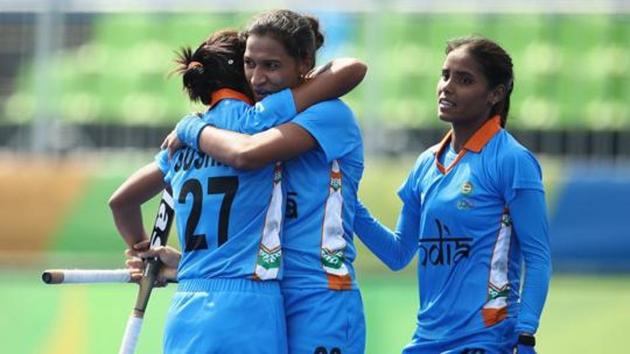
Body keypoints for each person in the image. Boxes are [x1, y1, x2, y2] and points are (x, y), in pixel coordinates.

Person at [109, 28, 367, 354]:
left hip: (187, 303)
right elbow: (343, 74)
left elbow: (120, 202)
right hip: (252, 301)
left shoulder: (187, 136)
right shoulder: (261, 123)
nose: (259, 78)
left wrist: (142, 252)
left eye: (267, 66)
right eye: (250, 65)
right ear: (242, 73)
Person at [353, 36, 552, 354]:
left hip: (486, 339)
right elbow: (398, 254)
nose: (447, 86)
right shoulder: (425, 163)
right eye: (445, 75)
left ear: (495, 94)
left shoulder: (511, 160)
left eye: (465, 80)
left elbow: (538, 257)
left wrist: (526, 334)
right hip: (427, 341)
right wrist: (347, 202)